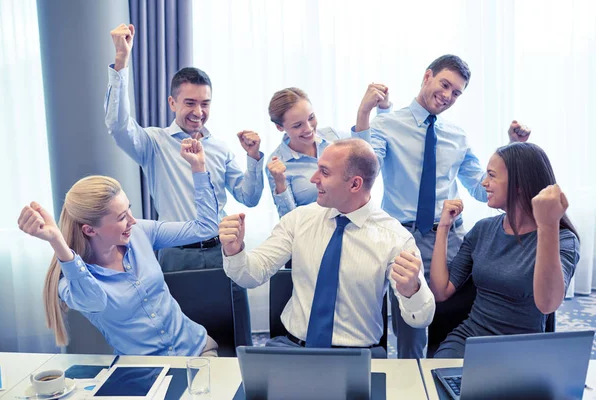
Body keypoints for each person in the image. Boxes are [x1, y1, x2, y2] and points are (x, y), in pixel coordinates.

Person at [353, 54, 532, 358]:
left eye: (457, 92)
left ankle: (447, 377)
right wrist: (364, 113)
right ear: (427, 76)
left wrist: (516, 148)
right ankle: (411, 380)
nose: (448, 96)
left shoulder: (457, 136)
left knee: (456, 314)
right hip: (402, 237)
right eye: (444, 84)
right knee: (410, 326)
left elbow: (480, 187)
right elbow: (363, 170)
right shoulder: (387, 124)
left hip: (448, 238)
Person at [105, 23, 263, 346]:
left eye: (205, 103)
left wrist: (254, 158)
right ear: (172, 103)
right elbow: (118, 125)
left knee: (236, 339)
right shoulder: (154, 143)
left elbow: (249, 196)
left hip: (223, 252)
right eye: (190, 103)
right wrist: (121, 61)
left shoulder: (219, 147)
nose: (199, 112)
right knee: (184, 343)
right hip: (177, 256)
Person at [220, 138, 436, 359]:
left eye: (324, 172)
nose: (313, 179)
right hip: (293, 351)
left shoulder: (395, 238)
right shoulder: (299, 219)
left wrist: (413, 290)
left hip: (357, 358)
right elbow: (250, 276)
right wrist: (234, 251)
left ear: (355, 184)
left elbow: (421, 318)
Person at [17, 139, 222, 356]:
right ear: (89, 230)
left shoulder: (140, 232)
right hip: (146, 375)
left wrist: (198, 168)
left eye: (129, 210)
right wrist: (56, 241)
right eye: (122, 217)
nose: (133, 221)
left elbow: (206, 228)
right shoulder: (71, 282)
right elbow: (94, 300)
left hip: (196, 350)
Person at [429, 142, 580, 358]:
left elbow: (547, 305)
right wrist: (443, 227)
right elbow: (440, 291)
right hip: (470, 340)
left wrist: (548, 225)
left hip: (522, 350)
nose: (484, 183)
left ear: (519, 184)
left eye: (491, 175)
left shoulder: (563, 239)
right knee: (438, 383)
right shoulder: (483, 229)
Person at [266, 87, 390, 218]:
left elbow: (367, 163)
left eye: (311, 118)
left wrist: (372, 111)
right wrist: (280, 184)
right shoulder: (277, 165)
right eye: (297, 125)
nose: (308, 129)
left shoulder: (333, 137)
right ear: (280, 127)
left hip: (356, 225)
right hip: (315, 234)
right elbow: (288, 221)